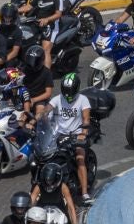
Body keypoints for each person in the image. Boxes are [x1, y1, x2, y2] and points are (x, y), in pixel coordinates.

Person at [37, 73, 93, 206]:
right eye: (66, 92)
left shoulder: (83, 100)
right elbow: (46, 110)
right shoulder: (57, 99)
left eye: (71, 92)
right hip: (58, 134)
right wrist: (37, 118)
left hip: (76, 134)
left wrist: (83, 134)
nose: (68, 95)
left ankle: (84, 193)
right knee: (45, 157)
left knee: (80, 159)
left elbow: (86, 119)